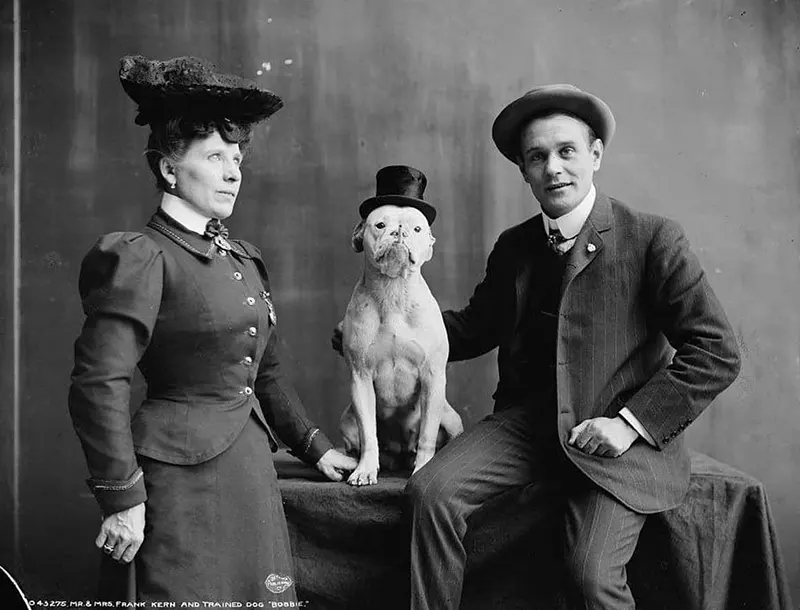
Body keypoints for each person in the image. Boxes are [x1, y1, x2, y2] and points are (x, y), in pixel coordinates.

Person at [401, 84, 742, 609]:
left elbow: (717, 351)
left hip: (615, 437)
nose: (553, 168)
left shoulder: (651, 238)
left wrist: (628, 424)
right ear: (523, 170)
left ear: (596, 155)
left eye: (567, 152)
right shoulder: (515, 246)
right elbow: (475, 327)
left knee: (589, 573)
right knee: (429, 495)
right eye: (537, 157)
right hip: (527, 426)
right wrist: (397, 332)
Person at [68, 55, 355, 604]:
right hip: (176, 479)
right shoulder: (143, 257)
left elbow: (264, 374)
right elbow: (97, 383)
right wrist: (121, 497)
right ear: (169, 169)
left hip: (249, 470)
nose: (233, 171)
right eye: (215, 156)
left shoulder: (243, 260)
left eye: (238, 156)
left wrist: (316, 448)